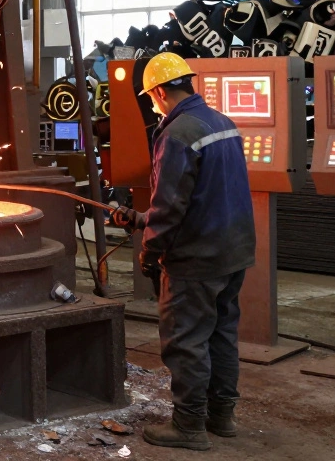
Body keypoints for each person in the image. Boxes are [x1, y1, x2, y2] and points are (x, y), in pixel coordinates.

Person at [113, 52, 255, 452]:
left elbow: (171, 205)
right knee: (221, 334)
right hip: (234, 250)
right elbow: (205, 195)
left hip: (196, 259)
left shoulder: (177, 133)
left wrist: (149, 250)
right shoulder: (221, 122)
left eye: (151, 97)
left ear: (159, 91)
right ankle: (221, 416)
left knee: (186, 339)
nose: (153, 104)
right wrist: (142, 218)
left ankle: (189, 426)